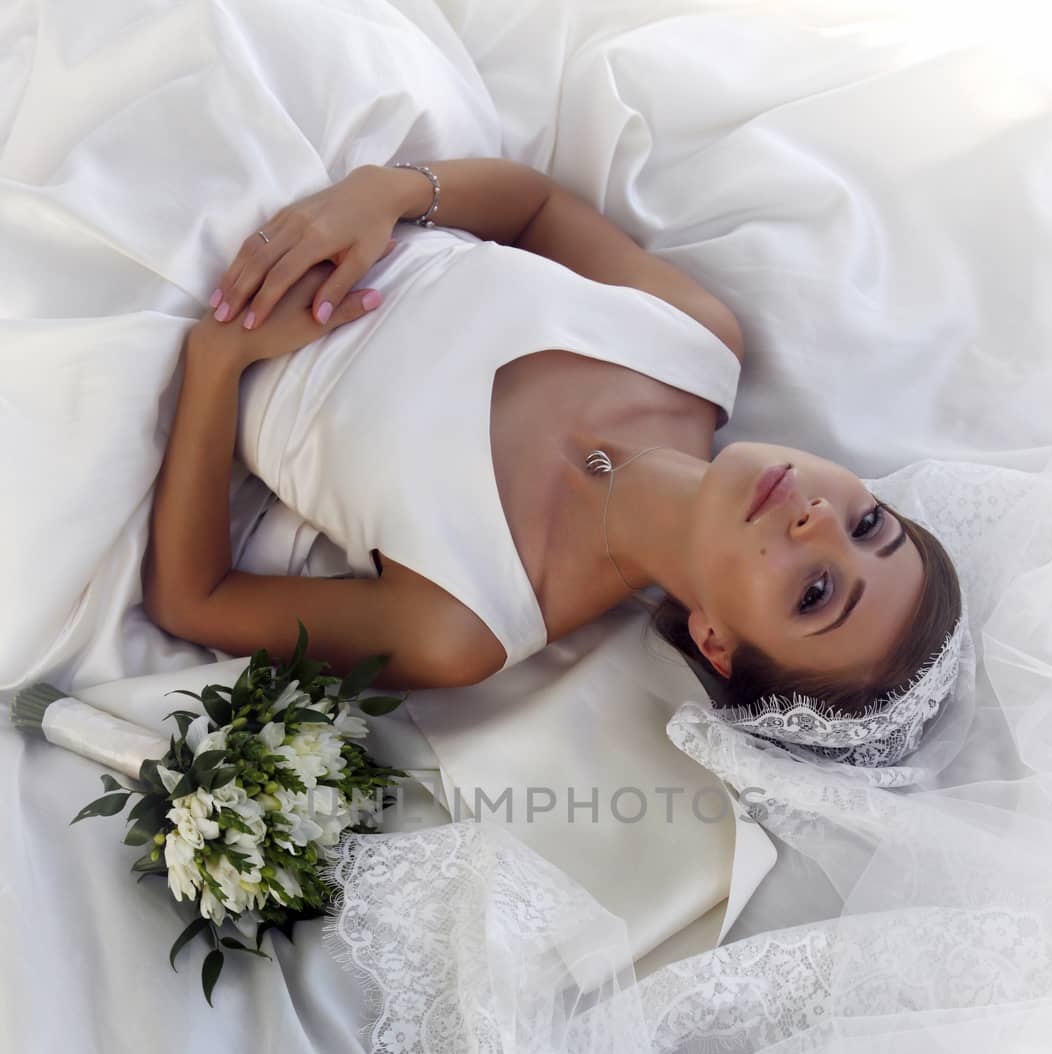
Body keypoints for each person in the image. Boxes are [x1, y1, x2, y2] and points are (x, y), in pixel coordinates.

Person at [141, 157, 964, 772]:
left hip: (167, 298)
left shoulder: (465, 625)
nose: (817, 522)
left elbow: (193, 598)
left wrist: (215, 363)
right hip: (311, 172)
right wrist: (389, 191)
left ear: (716, 643)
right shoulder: (696, 340)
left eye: (814, 590)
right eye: (867, 524)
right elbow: (534, 208)